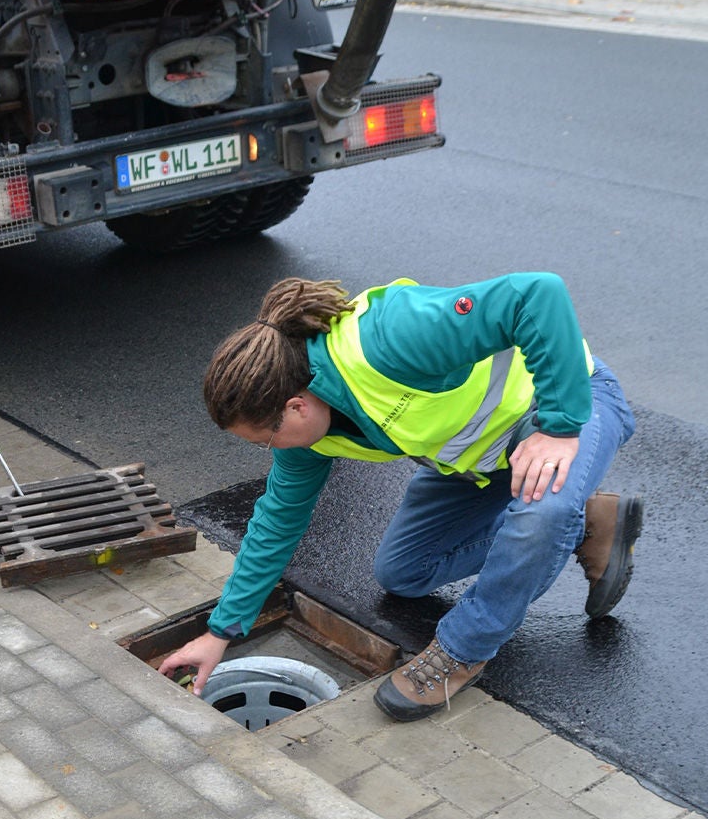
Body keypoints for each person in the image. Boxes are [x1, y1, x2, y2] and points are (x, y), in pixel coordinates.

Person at [159, 273, 642, 720]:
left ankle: (462, 651)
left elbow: (536, 294)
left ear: (295, 406)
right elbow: (275, 524)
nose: (268, 450)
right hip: (482, 463)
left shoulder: (392, 338)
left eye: (264, 439)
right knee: (404, 571)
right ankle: (587, 523)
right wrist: (220, 633)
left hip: (563, 411)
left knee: (543, 515)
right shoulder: (310, 432)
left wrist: (560, 427)